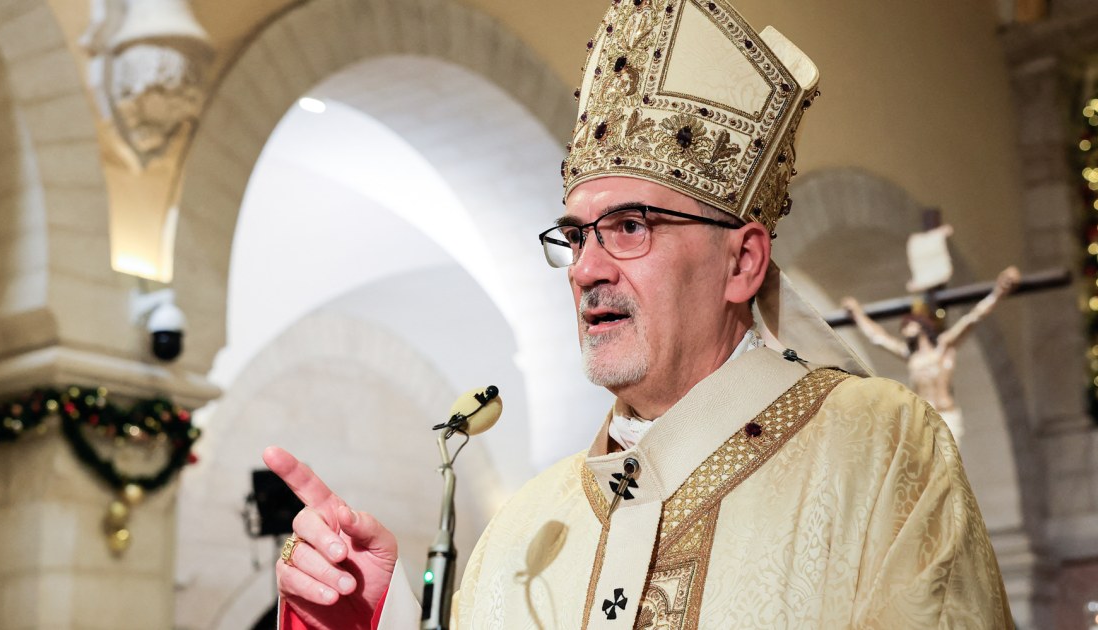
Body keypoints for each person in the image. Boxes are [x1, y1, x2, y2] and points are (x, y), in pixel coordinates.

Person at [265, 1, 1015, 628]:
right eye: (574, 235)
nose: (587, 267)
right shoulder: (528, 527)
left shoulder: (878, 451)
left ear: (743, 263)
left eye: (630, 227)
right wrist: (364, 620)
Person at [842, 265, 1021, 439]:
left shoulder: (943, 347)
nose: (905, 330)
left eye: (909, 324)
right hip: (923, 417)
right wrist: (857, 314)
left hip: (946, 416)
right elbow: (879, 338)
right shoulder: (910, 354)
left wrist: (998, 292)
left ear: (921, 325)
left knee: (947, 463)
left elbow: (972, 318)